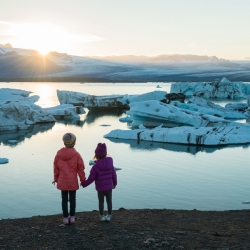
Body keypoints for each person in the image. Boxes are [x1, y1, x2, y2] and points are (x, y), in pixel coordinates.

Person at [52, 133, 85, 225]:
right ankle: (72, 217)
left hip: (62, 181)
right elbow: (80, 168)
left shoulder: (58, 154)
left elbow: (56, 168)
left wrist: (56, 178)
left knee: (64, 199)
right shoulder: (77, 155)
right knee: (72, 199)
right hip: (72, 181)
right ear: (74, 142)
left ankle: (66, 218)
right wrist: (83, 180)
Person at [81, 143, 117, 222]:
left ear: (96, 155)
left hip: (100, 188)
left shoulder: (95, 167)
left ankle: (101, 216)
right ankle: (109, 215)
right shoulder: (110, 164)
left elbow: (91, 179)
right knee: (109, 201)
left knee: (101, 202)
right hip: (109, 187)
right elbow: (114, 175)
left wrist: (84, 184)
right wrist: (114, 184)